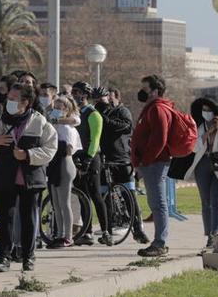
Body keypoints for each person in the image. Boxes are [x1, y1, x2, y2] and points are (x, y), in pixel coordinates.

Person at [0, 83, 57, 272]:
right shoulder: (0, 121)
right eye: (9, 98)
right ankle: (4, 257)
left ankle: (28, 257)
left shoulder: (39, 121)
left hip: (30, 179)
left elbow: (50, 148)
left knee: (28, 219)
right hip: (5, 177)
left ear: (25, 101)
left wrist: (28, 155)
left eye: (14, 99)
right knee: (5, 219)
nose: (10, 102)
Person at [93, 86, 149, 244]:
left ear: (116, 97)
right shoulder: (97, 113)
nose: (106, 102)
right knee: (105, 196)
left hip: (121, 159)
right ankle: (108, 231)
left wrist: (105, 119)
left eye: (109, 98)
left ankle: (138, 229)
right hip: (103, 158)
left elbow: (125, 127)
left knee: (129, 194)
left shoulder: (122, 111)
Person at [131, 75, 176, 257]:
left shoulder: (157, 109)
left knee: (158, 204)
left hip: (155, 163)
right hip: (150, 163)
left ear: (155, 91)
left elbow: (159, 140)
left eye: (145, 89)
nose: (142, 92)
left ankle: (160, 243)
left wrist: (145, 161)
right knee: (156, 203)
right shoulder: (151, 108)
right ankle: (159, 242)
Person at [70, 81, 112, 246]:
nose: (74, 95)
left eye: (77, 92)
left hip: (91, 157)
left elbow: (95, 139)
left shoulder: (93, 114)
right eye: (72, 92)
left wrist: (88, 158)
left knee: (95, 194)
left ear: (85, 95)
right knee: (82, 196)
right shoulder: (75, 114)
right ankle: (87, 232)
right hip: (77, 156)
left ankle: (106, 231)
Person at [45, 95, 82, 248]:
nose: (56, 111)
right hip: (53, 164)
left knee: (64, 202)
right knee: (56, 204)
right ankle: (59, 234)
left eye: (60, 108)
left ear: (66, 110)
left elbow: (69, 149)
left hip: (64, 164)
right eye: (55, 108)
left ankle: (68, 236)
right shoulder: (53, 125)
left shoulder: (68, 128)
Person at [187, 97, 218, 244]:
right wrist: (208, 132)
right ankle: (209, 233)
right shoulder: (200, 126)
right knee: (206, 201)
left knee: (217, 199)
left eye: (209, 110)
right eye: (204, 110)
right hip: (202, 164)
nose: (207, 113)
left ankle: (216, 232)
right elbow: (195, 147)